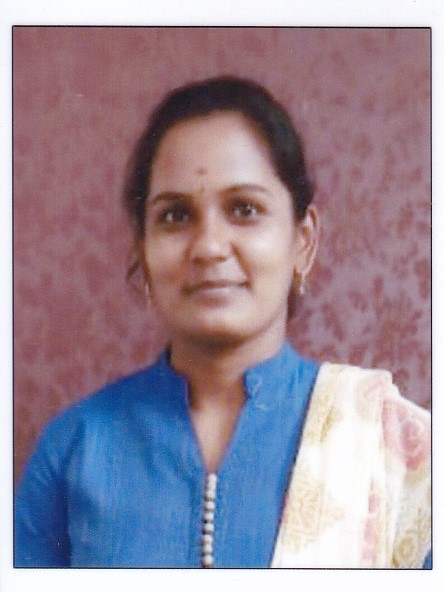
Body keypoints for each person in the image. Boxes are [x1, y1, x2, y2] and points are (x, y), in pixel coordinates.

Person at [14, 76, 431, 568]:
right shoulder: (75, 450)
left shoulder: (389, 447)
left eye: (245, 210)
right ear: (142, 251)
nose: (209, 246)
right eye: (175, 216)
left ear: (303, 241)